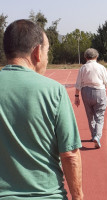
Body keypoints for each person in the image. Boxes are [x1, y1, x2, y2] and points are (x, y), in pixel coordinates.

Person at [0, 19, 83, 200]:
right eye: (47, 51)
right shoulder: (54, 91)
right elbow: (69, 155)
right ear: (37, 52)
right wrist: (78, 197)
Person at [74, 48, 107, 149]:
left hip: (86, 93)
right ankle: (97, 136)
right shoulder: (101, 67)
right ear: (96, 57)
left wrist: (76, 97)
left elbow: (78, 84)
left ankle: (93, 136)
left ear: (85, 57)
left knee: (90, 116)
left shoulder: (83, 68)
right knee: (99, 116)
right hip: (99, 92)